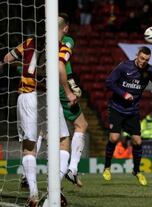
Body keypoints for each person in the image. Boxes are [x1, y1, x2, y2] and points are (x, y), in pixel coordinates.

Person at [2, 16, 73, 205]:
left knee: (29, 145)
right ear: (64, 29)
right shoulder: (63, 46)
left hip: (25, 96)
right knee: (63, 141)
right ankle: (53, 190)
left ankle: (33, 194)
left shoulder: (29, 42)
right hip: (46, 96)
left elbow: (7, 58)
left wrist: (24, 66)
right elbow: (59, 66)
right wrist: (68, 92)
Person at [103, 46, 152, 186]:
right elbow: (109, 82)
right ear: (137, 55)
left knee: (137, 141)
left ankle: (137, 171)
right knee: (114, 137)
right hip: (116, 108)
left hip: (132, 111)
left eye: (147, 59)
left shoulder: (149, 70)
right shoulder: (124, 66)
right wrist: (124, 94)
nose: (143, 61)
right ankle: (107, 167)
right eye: (142, 58)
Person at [58, 20, 89, 187]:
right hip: (61, 85)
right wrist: (71, 86)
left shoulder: (38, 41)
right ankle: (72, 169)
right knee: (81, 125)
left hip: (41, 87)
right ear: (66, 28)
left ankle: (27, 174)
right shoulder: (67, 40)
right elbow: (61, 64)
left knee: (40, 130)